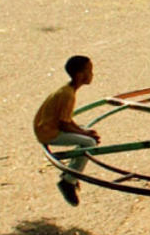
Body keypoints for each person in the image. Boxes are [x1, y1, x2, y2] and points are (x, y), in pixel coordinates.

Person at [33, 55, 100, 206]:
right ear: (79, 75)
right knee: (89, 142)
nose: (92, 74)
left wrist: (83, 131)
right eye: (89, 71)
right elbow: (64, 125)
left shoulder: (67, 90)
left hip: (49, 126)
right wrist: (85, 135)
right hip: (49, 132)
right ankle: (69, 181)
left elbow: (67, 120)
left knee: (86, 133)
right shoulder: (67, 95)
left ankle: (71, 171)